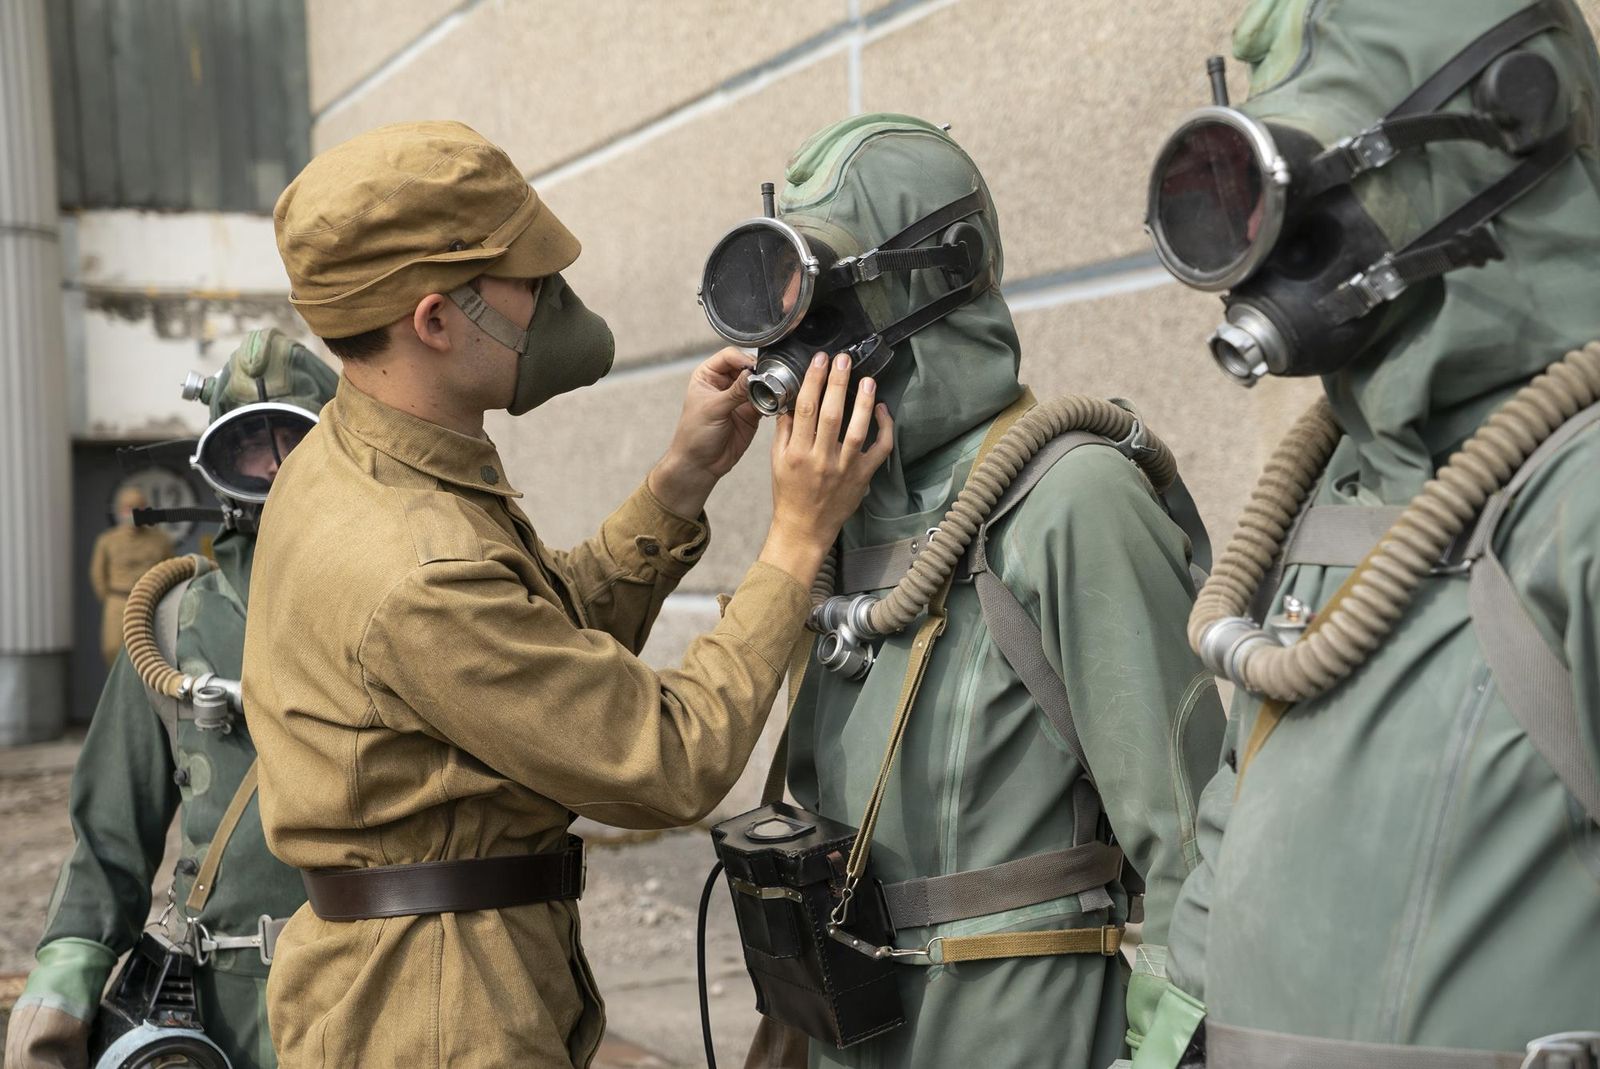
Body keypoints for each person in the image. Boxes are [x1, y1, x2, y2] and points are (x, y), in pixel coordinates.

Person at [243, 119, 893, 1069]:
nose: (556, 301)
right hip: (441, 1016)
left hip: (422, 978)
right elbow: (669, 758)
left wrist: (676, 487)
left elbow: (526, 658)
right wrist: (797, 537)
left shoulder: (355, 465)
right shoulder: (410, 562)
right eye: (529, 281)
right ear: (434, 319)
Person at [702, 115, 1226, 1069]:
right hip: (851, 1027)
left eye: (825, 304)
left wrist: (1169, 1051)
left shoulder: (1071, 498)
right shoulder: (835, 513)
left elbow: (1192, 841)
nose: (803, 349)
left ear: (928, 280)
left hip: (1023, 1029)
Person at [1133, 1, 1600, 1065]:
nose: (1266, 250)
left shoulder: (1579, 487)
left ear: (1505, 124)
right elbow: (1233, 826)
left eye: (1300, 184)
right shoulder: (1337, 477)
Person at [5, 330, 337, 1069]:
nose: (277, 466)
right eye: (251, 444)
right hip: (223, 1016)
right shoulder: (171, 623)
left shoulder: (407, 605)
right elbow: (109, 843)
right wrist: (59, 995)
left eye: (297, 438)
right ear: (216, 464)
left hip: (381, 998)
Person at [88, 487, 174, 666]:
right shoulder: (108, 540)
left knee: (151, 654)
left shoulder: (160, 540)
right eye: (129, 508)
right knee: (113, 648)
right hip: (118, 600)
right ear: (121, 511)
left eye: (140, 507)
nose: (135, 512)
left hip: (150, 601)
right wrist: (111, 599)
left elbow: (170, 569)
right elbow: (98, 575)